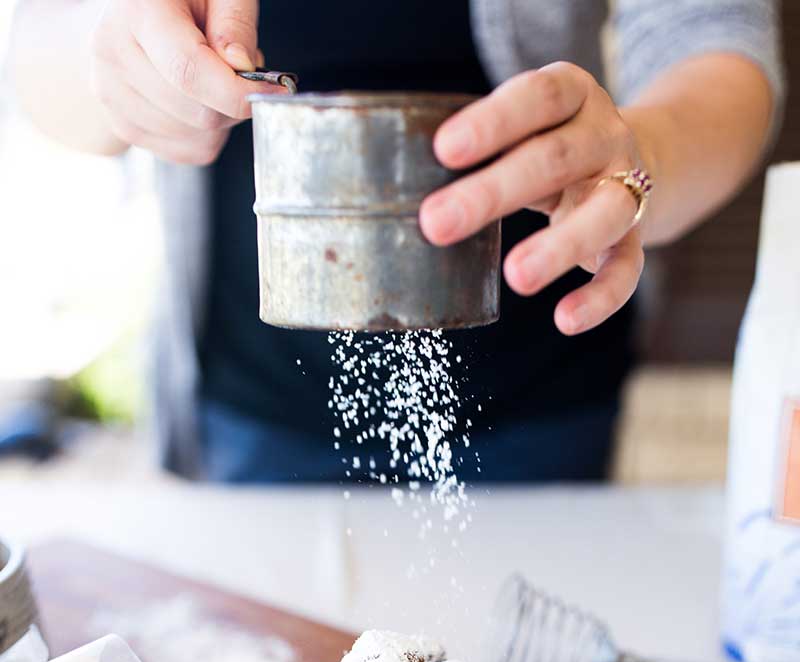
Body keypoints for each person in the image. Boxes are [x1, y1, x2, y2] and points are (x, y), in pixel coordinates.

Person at [11, 1, 783, 483]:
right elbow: (38, 50)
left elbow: (713, 34)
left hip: (536, 400)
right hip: (250, 406)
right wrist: (113, 54)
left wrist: (641, 155)